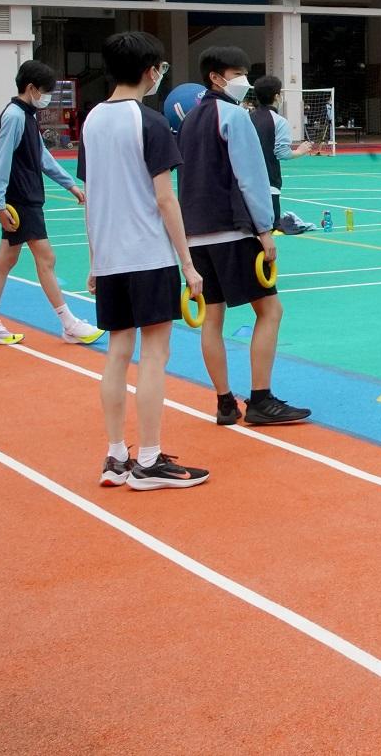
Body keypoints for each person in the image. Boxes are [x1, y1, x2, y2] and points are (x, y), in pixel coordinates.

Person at [80, 32, 207, 489]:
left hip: (112, 255)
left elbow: (91, 197)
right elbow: (165, 200)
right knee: (154, 354)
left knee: (117, 353)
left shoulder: (92, 121)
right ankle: (149, 461)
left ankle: (116, 456)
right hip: (148, 255)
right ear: (151, 70)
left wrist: (96, 260)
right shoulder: (150, 123)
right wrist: (189, 265)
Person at [179, 47, 312, 430]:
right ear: (216, 78)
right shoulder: (234, 117)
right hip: (234, 230)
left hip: (196, 234)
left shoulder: (189, 120)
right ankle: (261, 399)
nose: (244, 81)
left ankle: (224, 403)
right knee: (270, 311)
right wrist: (264, 230)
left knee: (212, 319)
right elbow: (250, 178)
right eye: (237, 73)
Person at [0, 61, 103, 347]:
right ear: (30, 88)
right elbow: (1, 159)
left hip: (26, 198)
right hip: (21, 201)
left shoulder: (27, 116)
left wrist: (69, 184)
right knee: (46, 258)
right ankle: (68, 323)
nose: (46, 98)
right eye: (44, 92)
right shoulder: (15, 117)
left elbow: (42, 156)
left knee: (5, 261)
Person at [247, 75, 313, 236]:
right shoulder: (279, 121)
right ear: (277, 97)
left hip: (246, 181)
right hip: (269, 181)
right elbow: (282, 153)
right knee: (272, 225)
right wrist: (300, 151)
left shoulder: (246, 118)